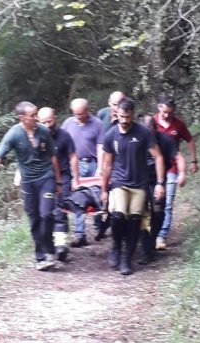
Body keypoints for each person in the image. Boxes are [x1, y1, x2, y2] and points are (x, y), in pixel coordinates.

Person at [0, 102, 64, 270]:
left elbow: (53, 157)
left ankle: (50, 250)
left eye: (37, 114)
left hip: (46, 178)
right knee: (34, 219)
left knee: (46, 215)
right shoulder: (13, 134)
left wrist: (58, 182)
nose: (37, 118)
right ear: (21, 118)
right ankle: (40, 257)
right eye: (33, 116)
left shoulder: (43, 131)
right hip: (28, 182)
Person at [98, 97, 165, 275]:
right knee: (119, 216)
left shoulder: (143, 132)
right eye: (121, 117)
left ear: (133, 115)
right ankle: (116, 247)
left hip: (139, 184)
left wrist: (159, 183)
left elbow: (158, 157)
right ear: (116, 114)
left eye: (128, 117)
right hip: (119, 181)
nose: (125, 121)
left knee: (135, 219)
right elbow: (107, 164)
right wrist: (104, 189)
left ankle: (127, 258)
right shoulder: (111, 135)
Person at [153, 95, 198, 250]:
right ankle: (150, 232)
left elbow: (189, 140)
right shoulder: (151, 123)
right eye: (164, 111)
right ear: (159, 107)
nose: (167, 115)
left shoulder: (178, 124)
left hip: (172, 167)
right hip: (153, 168)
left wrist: (192, 162)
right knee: (154, 202)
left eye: (170, 112)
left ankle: (161, 236)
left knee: (168, 203)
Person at [60, 98, 105, 247]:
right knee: (77, 199)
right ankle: (80, 234)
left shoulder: (97, 123)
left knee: (96, 195)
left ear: (87, 110)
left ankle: (99, 226)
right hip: (75, 164)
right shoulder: (67, 124)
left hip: (92, 163)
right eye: (76, 114)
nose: (79, 116)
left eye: (81, 113)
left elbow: (100, 146)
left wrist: (100, 167)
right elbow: (62, 145)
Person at [37, 107, 77, 260]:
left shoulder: (64, 135)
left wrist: (76, 178)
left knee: (60, 209)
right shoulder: (36, 137)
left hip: (64, 176)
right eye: (43, 122)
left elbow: (73, 156)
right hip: (43, 178)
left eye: (50, 121)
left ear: (55, 118)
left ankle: (61, 245)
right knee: (45, 214)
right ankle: (48, 244)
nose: (47, 125)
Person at [138, 114, 178, 265]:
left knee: (158, 213)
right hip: (140, 181)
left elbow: (177, 157)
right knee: (140, 215)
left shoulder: (166, 140)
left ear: (155, 128)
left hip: (157, 182)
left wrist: (181, 173)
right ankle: (146, 249)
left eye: (151, 130)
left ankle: (153, 240)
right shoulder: (137, 138)